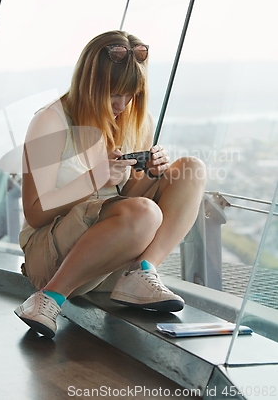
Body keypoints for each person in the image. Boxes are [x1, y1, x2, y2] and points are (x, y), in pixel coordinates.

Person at [14, 30, 206, 338]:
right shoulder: (51, 121)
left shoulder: (134, 117)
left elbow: (127, 196)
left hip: (111, 254)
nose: (122, 104)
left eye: (131, 94)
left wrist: (151, 175)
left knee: (191, 170)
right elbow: (35, 213)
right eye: (114, 94)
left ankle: (141, 272)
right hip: (52, 259)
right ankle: (48, 298)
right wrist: (94, 178)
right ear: (89, 85)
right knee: (145, 213)